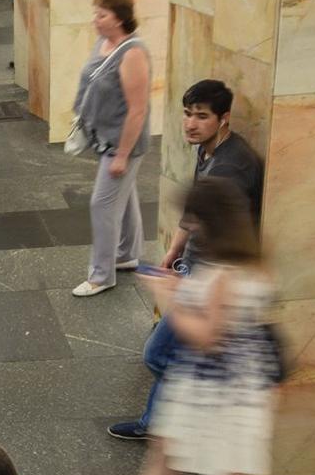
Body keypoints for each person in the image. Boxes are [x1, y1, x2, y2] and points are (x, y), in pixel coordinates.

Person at [91, 178, 281, 475]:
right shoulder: (245, 265)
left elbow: (208, 337)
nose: (190, 225)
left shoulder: (227, 274)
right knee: (169, 446)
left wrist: (168, 299)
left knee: (227, 473)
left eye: (195, 218)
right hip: (217, 386)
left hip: (220, 392)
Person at [108, 79, 265, 440]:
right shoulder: (208, 150)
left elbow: (225, 232)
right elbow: (195, 212)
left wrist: (190, 280)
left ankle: (185, 416)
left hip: (214, 273)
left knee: (158, 353)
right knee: (174, 349)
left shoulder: (232, 168)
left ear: (224, 118)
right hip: (197, 265)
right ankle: (163, 422)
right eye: (187, 115)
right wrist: (175, 249)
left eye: (202, 116)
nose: (191, 124)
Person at [70, 0, 151, 297]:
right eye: (96, 13)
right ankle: (127, 253)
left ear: (119, 18)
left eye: (102, 14)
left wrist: (123, 155)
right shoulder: (103, 43)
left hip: (122, 144)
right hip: (105, 138)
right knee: (123, 195)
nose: (95, 19)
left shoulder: (133, 53)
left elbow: (138, 109)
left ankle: (101, 275)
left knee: (102, 205)